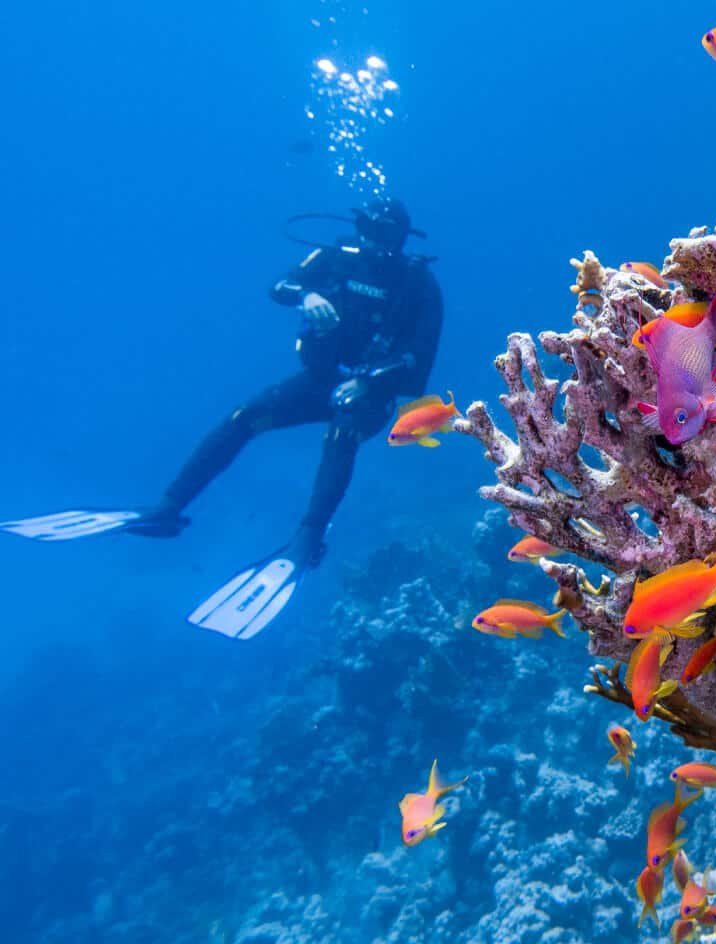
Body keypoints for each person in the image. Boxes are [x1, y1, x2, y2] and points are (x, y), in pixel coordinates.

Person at [2, 197, 444, 639]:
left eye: (388, 235)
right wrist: (307, 294)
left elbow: (417, 362)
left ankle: (307, 538)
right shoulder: (331, 259)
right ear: (359, 225)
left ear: (403, 240)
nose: (375, 241)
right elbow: (280, 286)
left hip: (370, 394)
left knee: (343, 428)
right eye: (370, 228)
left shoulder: (419, 284)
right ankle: (168, 507)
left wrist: (368, 383)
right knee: (245, 417)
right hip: (319, 380)